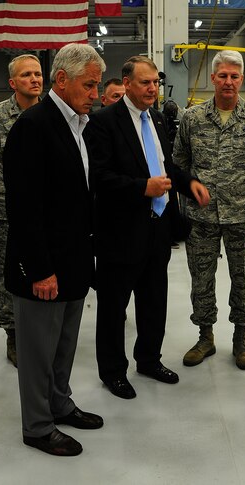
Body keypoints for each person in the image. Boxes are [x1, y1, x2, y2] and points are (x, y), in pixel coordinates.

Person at [84, 56, 210, 400]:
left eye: (155, 82)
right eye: (145, 82)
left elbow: (166, 166)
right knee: (113, 307)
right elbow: (100, 178)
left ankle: (149, 360)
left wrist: (189, 184)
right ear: (127, 84)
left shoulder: (155, 118)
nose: (153, 88)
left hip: (158, 229)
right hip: (120, 232)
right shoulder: (102, 123)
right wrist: (142, 187)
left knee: (154, 301)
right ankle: (112, 371)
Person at [4, 43, 104, 456]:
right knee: (38, 352)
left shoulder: (78, 125)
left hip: (74, 260)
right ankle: (37, 425)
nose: (95, 94)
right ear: (61, 80)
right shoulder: (35, 125)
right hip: (43, 267)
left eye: (98, 85)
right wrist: (39, 269)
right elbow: (24, 207)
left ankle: (60, 404)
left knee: (64, 346)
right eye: (90, 85)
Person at [173, 50, 245, 370]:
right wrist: (188, 192)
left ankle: (241, 339)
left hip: (242, 217)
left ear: (241, 79)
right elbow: (180, 164)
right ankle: (205, 336)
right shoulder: (192, 118)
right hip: (201, 218)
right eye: (223, 76)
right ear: (213, 78)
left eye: (234, 76)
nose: (228, 81)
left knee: (243, 280)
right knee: (201, 279)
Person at [0, 54, 43, 367]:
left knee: (44, 270)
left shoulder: (51, 114)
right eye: (27, 75)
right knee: (7, 274)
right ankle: (13, 334)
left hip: (46, 211)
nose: (35, 79)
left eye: (38, 74)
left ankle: (38, 330)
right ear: (13, 82)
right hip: (7, 213)